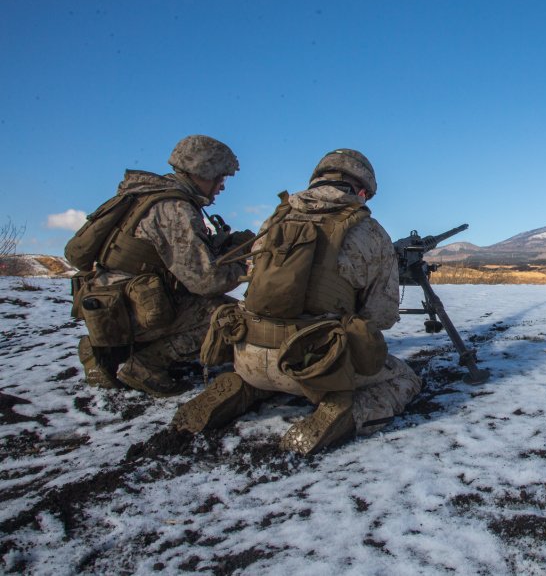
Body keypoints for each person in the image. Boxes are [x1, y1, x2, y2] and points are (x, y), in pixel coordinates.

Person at [172, 149, 421, 455]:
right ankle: (346, 412)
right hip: (315, 365)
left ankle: (244, 386)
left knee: (260, 368)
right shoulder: (370, 230)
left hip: (247, 353)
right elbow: (380, 316)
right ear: (361, 190)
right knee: (404, 379)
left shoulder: (275, 218)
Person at [70, 135, 250, 397]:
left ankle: (103, 351)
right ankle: (146, 365)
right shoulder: (175, 208)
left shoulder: (145, 194)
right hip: (135, 308)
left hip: (110, 304)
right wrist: (244, 267)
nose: (221, 186)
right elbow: (206, 282)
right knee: (232, 317)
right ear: (203, 171)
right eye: (220, 177)